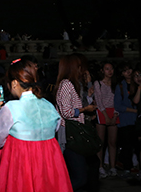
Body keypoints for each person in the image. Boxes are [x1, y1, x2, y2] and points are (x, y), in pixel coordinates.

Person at [0, 58, 71, 192]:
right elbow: (55, 128)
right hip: (48, 164)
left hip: (20, 164)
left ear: (14, 84)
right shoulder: (49, 106)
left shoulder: (12, 108)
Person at [55, 54, 98, 192]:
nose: (82, 70)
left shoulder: (73, 84)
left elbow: (79, 104)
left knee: (89, 168)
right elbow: (67, 112)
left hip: (77, 132)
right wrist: (85, 109)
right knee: (80, 177)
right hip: (71, 134)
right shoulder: (66, 84)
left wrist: (89, 94)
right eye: (80, 66)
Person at [93, 62, 118, 178]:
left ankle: (113, 167)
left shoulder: (115, 84)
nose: (110, 71)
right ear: (102, 70)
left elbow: (118, 100)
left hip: (114, 112)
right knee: (101, 142)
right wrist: (106, 116)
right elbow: (98, 100)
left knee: (112, 142)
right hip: (102, 112)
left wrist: (115, 115)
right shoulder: (98, 83)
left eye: (111, 69)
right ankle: (100, 167)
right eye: (107, 69)